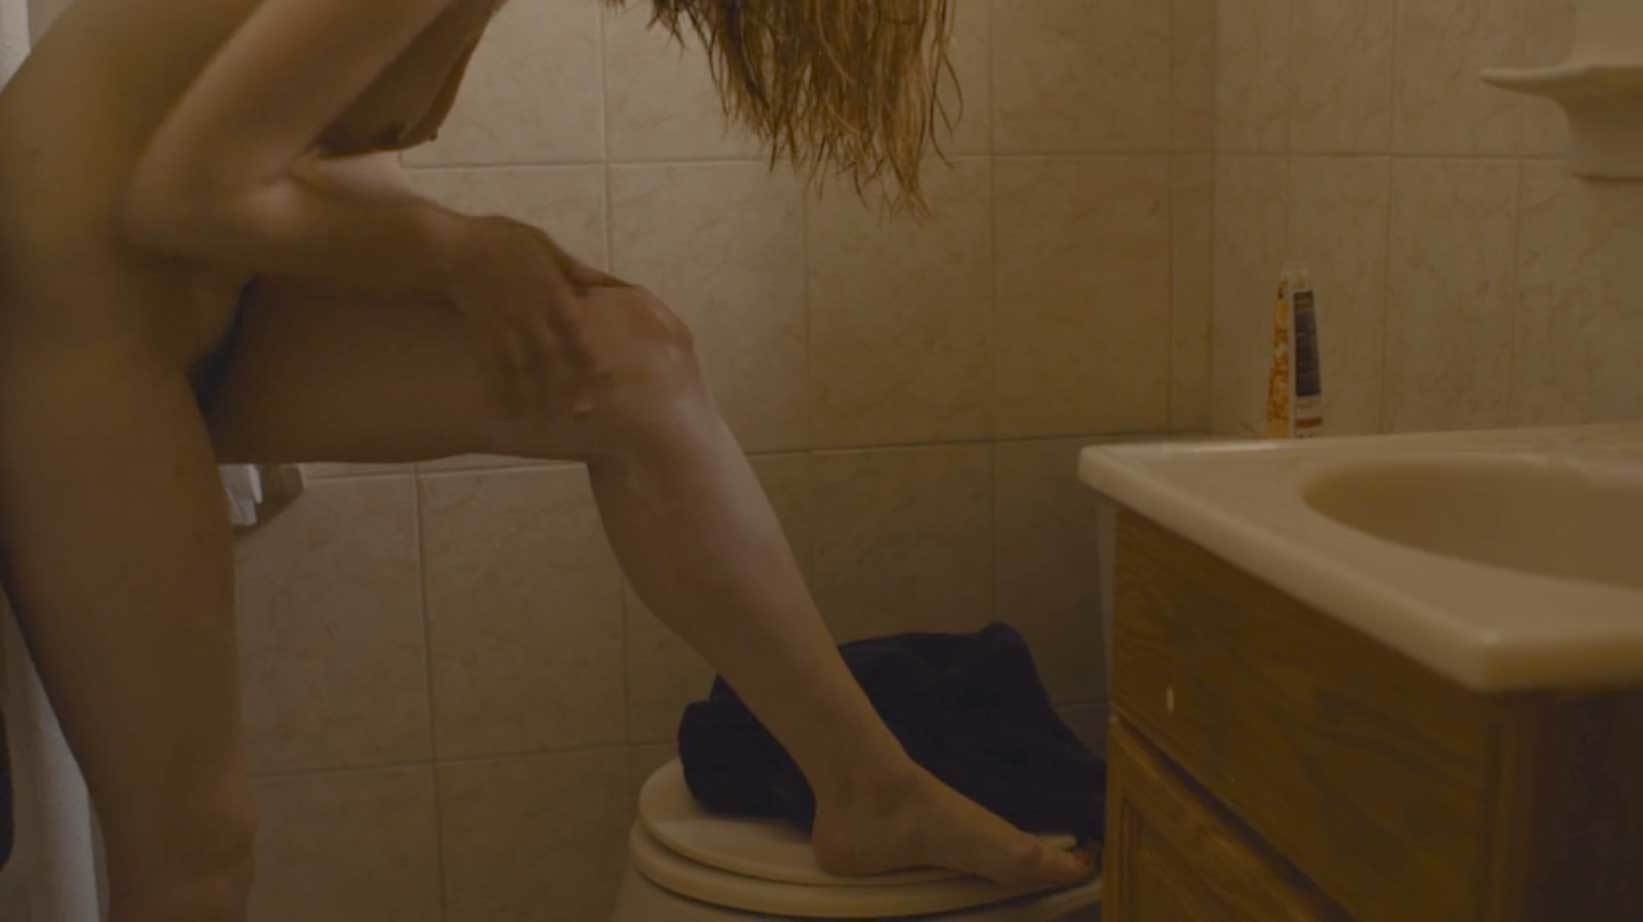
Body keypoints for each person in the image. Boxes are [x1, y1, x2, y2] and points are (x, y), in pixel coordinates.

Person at [0, 1, 1095, 919]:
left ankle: (868, 789)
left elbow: (315, 154)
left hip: (214, 302)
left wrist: (495, 270)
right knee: (195, 847)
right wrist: (462, 252)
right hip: (68, 327)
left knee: (630, 364)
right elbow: (183, 193)